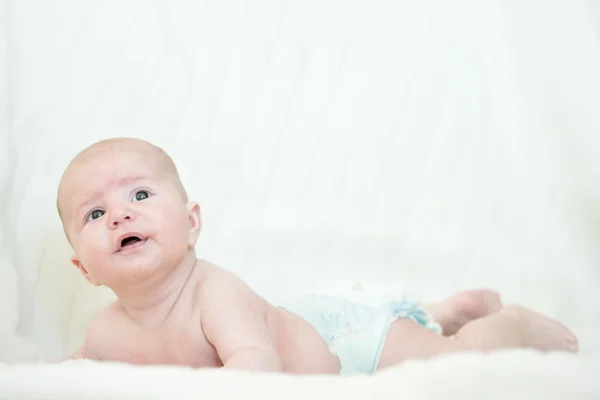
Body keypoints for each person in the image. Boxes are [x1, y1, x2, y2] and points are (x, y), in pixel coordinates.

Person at [56, 137, 579, 375]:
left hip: (344, 344)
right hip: (300, 318)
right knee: (414, 332)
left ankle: (507, 327)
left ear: (192, 224)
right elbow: (69, 378)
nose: (120, 215)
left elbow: (255, 365)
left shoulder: (214, 294)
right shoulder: (104, 334)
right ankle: (442, 311)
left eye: (140, 195)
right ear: (83, 267)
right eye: (94, 214)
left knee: (456, 365)